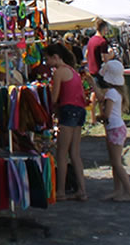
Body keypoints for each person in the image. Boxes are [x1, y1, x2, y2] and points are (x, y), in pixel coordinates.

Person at [45, 42, 88, 201]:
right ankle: (82, 190)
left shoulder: (59, 72)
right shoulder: (73, 71)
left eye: (48, 59)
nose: (47, 63)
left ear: (56, 57)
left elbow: (55, 98)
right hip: (79, 110)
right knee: (75, 153)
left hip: (68, 111)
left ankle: (61, 190)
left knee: (61, 153)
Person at [97, 59, 130, 201]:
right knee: (114, 162)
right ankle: (117, 190)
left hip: (114, 128)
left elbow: (107, 114)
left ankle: (128, 191)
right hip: (116, 127)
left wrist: (99, 116)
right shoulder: (116, 92)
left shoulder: (111, 93)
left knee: (117, 163)